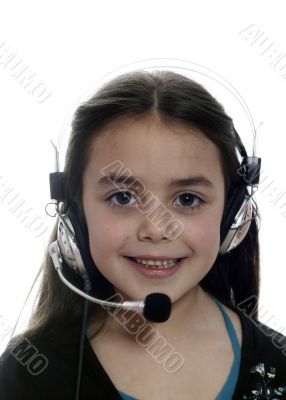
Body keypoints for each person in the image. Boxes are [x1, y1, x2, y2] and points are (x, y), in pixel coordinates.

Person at [1, 69, 286, 400]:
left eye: (188, 199)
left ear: (233, 214)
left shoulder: (277, 365)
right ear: (76, 214)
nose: (156, 229)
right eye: (123, 197)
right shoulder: (29, 374)